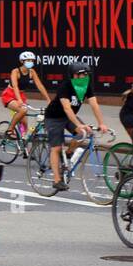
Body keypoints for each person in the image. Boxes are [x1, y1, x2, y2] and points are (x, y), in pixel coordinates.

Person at [44, 60, 110, 191]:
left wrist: (101, 123)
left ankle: (68, 153)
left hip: (69, 117)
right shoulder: (66, 87)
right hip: (54, 117)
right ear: (74, 75)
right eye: (81, 74)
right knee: (56, 148)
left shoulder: (86, 86)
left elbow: (94, 104)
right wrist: (79, 124)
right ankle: (56, 180)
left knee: (83, 134)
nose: (84, 77)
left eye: (86, 74)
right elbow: (67, 109)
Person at [2, 50, 49, 134]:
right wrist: (19, 100)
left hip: (21, 95)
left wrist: (48, 99)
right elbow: (15, 86)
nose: (30, 62)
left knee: (24, 124)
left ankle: (22, 143)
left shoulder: (32, 72)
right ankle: (10, 130)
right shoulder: (15, 71)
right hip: (10, 95)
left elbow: (40, 86)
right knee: (23, 110)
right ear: (22, 61)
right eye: (28, 60)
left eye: (32, 60)